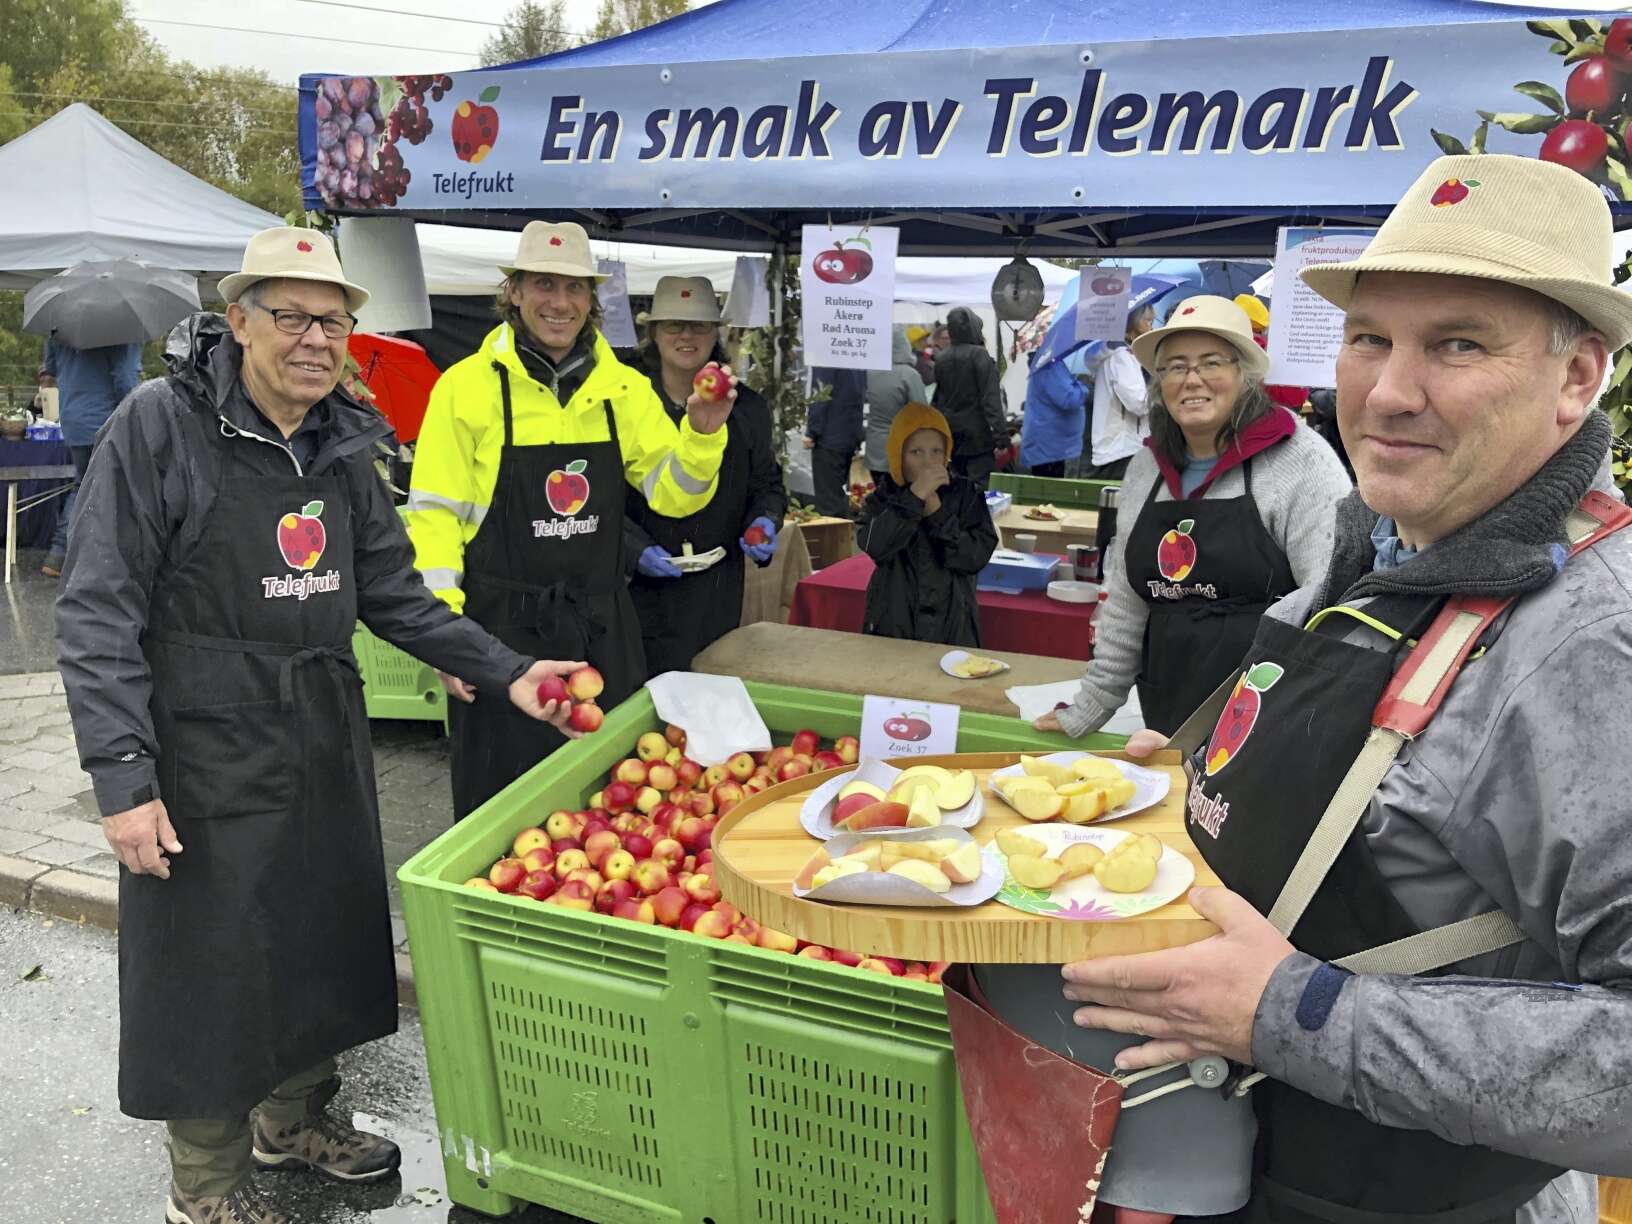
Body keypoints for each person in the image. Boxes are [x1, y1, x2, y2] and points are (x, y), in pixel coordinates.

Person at [1061, 154, 1632, 1222]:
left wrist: (1297, 1012)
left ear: (1577, 378)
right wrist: (1192, 778)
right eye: (1369, 338)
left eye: (1458, 344)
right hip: (1249, 1166)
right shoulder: (1380, 541)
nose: (1389, 392)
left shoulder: (1595, 647)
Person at [54, 227, 584, 1224]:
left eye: (333, 322)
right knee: (211, 961)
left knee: (314, 937)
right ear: (240, 320)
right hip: (204, 740)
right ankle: (205, 1186)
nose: (315, 340)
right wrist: (123, 778)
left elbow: (393, 591)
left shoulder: (341, 436)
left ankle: (293, 1121)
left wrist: (508, 672)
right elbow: (96, 611)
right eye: (292, 316)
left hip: (318, 729)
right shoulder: (159, 425)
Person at [408, 222, 736, 819]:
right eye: (544, 284)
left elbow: (676, 497)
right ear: (513, 292)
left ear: (592, 299)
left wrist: (703, 433)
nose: (559, 302)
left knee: (614, 809)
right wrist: (446, 640)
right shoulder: (465, 388)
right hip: (499, 640)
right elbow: (434, 519)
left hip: (602, 633)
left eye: (574, 288)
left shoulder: (623, 389)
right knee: (501, 813)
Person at [1038, 295, 1351, 737]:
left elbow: (1328, 602)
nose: (1192, 379)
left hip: (1269, 716)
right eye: (1175, 367)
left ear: (1245, 373)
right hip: (1167, 712)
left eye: (1211, 363)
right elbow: (1127, 602)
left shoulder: (1299, 460)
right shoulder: (1146, 469)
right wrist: (1091, 705)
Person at [623, 276, 785, 676]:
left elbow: (766, 485)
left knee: (708, 685)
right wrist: (630, 548)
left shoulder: (747, 408)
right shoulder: (625, 400)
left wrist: (763, 521)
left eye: (699, 325)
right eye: (673, 325)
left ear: (716, 334)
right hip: (635, 589)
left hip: (715, 588)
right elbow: (599, 491)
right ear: (654, 333)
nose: (686, 335)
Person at [858, 402, 997, 645]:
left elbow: (974, 557)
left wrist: (936, 512)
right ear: (898, 456)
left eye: (936, 451)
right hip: (893, 626)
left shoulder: (965, 493)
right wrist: (914, 498)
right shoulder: (883, 497)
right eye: (916, 452)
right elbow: (875, 546)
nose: (928, 462)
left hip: (953, 626)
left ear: (947, 454)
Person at [38, 333, 141, 577]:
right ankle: (64, 553)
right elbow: (125, 379)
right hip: (105, 420)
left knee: (86, 484)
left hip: (72, 418)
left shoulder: (59, 328)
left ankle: (65, 555)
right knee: (99, 487)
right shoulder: (123, 330)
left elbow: (51, 368)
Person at [1073, 302, 1155, 481]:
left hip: (1116, 447)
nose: (1152, 327)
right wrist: (1159, 389)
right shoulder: (1122, 356)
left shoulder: (1117, 354)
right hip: (1123, 448)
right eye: (1148, 321)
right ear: (1133, 323)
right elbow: (1138, 403)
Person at [932, 306, 1007, 488]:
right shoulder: (979, 355)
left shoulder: (941, 358)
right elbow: (991, 399)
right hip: (977, 436)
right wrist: (1001, 435)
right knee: (980, 488)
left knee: (957, 487)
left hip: (951, 433)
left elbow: (938, 400)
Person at [865, 324, 928, 484]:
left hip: (875, 448)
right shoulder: (909, 375)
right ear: (904, 345)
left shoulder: (871, 373)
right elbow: (922, 414)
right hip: (902, 448)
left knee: (881, 493)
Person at [803, 365, 866, 518]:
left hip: (829, 436)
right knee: (837, 496)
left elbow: (820, 395)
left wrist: (811, 431)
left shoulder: (826, 359)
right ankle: (843, 530)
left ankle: (834, 532)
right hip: (849, 434)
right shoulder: (856, 361)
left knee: (828, 502)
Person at [1017, 345, 1087, 478]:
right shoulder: (1051, 367)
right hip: (1051, 448)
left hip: (1050, 446)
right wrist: (1083, 386)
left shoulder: (1048, 365)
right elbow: (1069, 399)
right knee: (1051, 488)